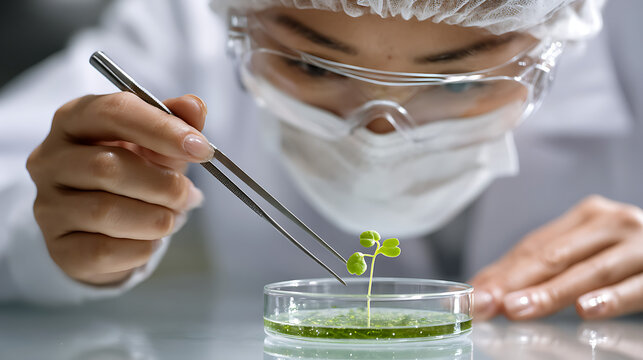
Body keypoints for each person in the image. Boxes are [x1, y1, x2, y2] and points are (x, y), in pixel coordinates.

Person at [0, 0, 641, 321]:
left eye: (459, 82)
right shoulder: (186, 19)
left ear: (556, 46)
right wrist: (61, 222)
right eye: (309, 63)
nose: (381, 135)